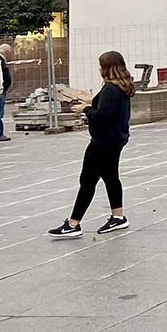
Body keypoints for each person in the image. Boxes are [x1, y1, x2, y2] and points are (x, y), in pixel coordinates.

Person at [49, 51, 134, 239]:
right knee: (111, 178)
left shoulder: (111, 89)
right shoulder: (121, 86)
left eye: (100, 64)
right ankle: (118, 216)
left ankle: (73, 224)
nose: (98, 68)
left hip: (102, 142)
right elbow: (107, 107)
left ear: (107, 67)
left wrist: (85, 109)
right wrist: (92, 100)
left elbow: (103, 116)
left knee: (87, 181)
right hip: (114, 140)